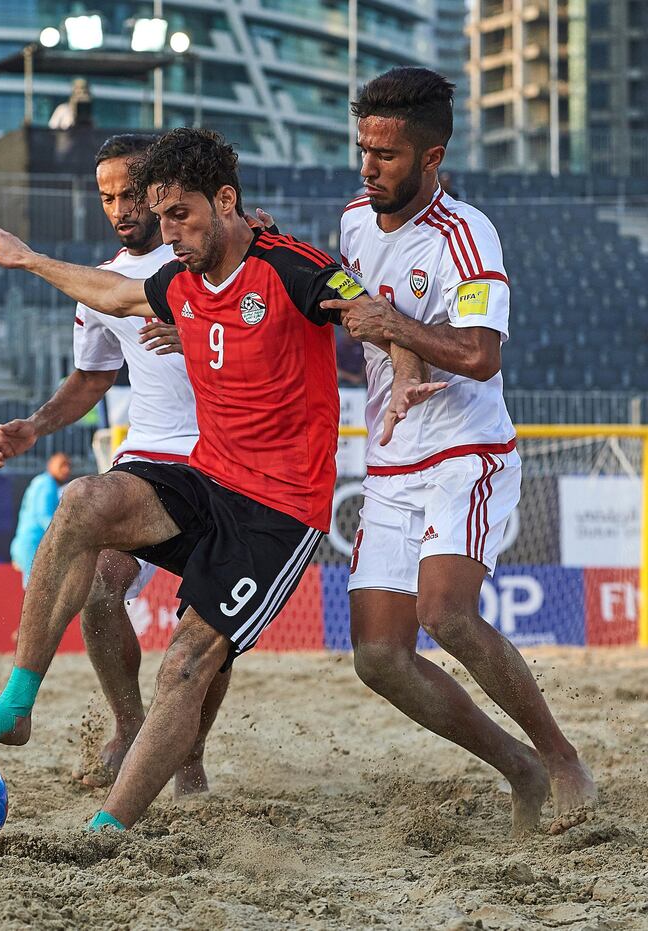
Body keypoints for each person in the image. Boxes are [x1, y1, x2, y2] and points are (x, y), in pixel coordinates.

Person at [0, 127, 440, 832]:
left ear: (226, 200)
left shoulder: (290, 264)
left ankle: (106, 830)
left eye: (180, 214)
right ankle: (18, 705)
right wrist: (27, 261)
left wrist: (410, 372)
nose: (166, 229)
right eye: (157, 213)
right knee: (81, 502)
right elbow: (113, 295)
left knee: (188, 659)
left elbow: (371, 316)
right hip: (201, 471)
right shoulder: (178, 280)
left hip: (277, 509)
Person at [321, 67, 596, 836]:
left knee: (446, 613)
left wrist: (395, 325)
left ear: (432, 157)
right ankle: (521, 766)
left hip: (465, 452)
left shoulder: (467, 235)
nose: (369, 167)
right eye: (363, 149)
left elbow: (480, 355)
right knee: (377, 658)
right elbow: (342, 293)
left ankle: (564, 758)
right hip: (391, 463)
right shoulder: (352, 217)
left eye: (388, 154)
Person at [0, 133, 226, 796]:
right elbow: (91, 378)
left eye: (128, 193)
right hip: (148, 454)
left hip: (226, 460)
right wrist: (35, 423)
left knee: (209, 622)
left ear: (159, 191)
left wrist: (197, 330)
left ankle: (185, 753)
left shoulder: (213, 256)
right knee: (97, 582)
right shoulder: (101, 284)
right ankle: (131, 724)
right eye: (106, 196)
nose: (118, 208)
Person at [10, 452, 72, 586]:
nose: (66, 469)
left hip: (25, 544)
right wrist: (65, 537)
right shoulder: (47, 484)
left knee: (38, 594)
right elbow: (43, 516)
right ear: (50, 465)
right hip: (33, 545)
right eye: (62, 465)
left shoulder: (40, 481)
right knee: (39, 594)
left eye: (69, 466)